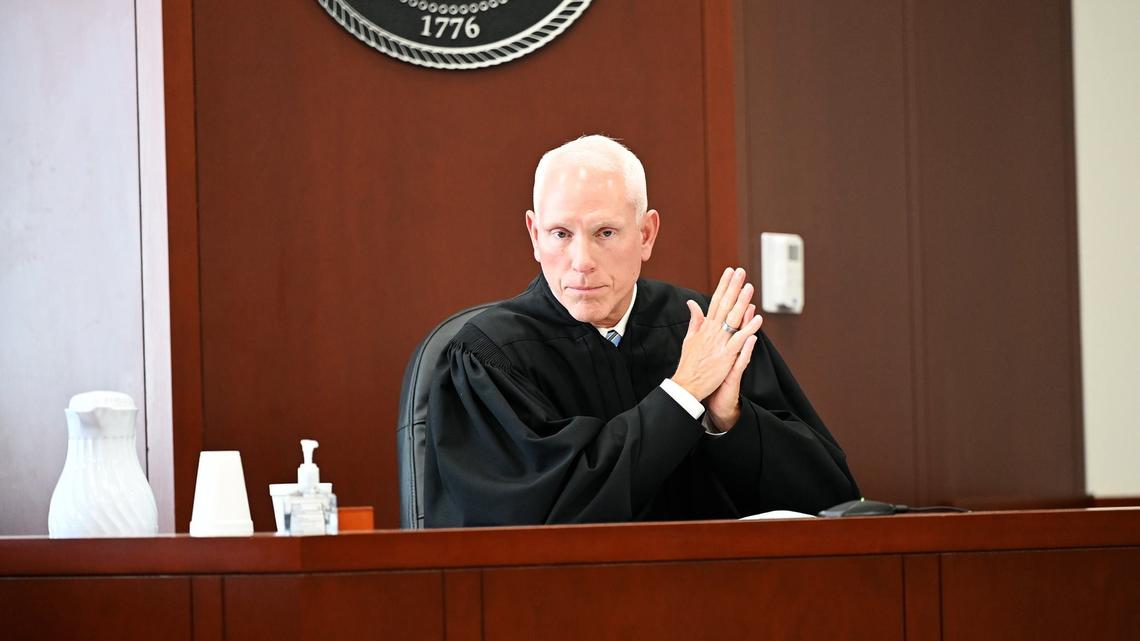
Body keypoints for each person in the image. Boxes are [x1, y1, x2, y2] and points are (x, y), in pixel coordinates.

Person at [423, 135, 858, 527]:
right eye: (560, 233)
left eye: (605, 232)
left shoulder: (711, 334)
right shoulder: (487, 356)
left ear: (646, 234)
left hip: (724, 597)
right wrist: (684, 395)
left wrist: (731, 421)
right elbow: (547, 516)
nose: (581, 260)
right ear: (535, 235)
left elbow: (833, 500)